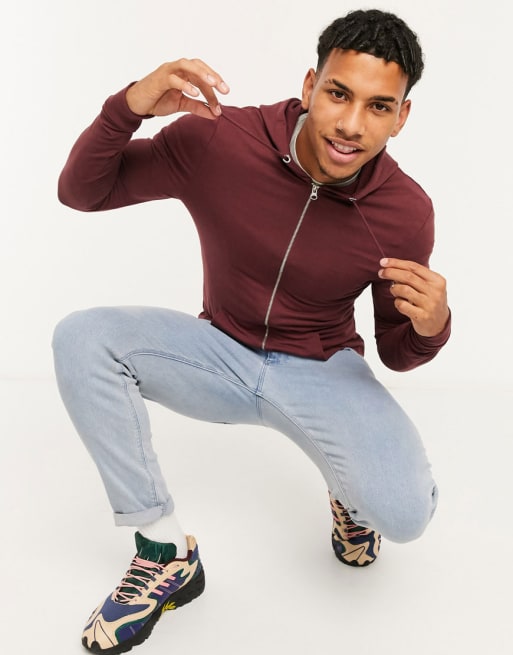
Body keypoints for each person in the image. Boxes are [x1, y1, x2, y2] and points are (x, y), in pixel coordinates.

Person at [54, 8, 451, 654]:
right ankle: (164, 553)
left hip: (322, 370)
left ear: (401, 117)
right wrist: (127, 106)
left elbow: (396, 353)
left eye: (378, 107)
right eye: (338, 94)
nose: (351, 125)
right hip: (216, 354)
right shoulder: (220, 141)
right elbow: (82, 192)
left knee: (404, 515)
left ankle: (351, 497)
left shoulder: (404, 211)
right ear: (310, 85)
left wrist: (432, 326)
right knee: (82, 338)